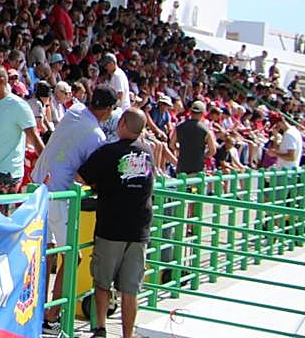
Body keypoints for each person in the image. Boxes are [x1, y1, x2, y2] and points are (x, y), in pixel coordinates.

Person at [31, 87, 115, 330]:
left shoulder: (74, 110)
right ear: (108, 110)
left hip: (38, 185)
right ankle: (51, 316)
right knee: (72, 256)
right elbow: (91, 174)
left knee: (45, 252)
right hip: (59, 194)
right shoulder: (96, 136)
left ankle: (37, 310)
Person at [77, 108, 155, 338]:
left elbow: (82, 177)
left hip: (111, 226)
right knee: (130, 290)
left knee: (102, 283)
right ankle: (126, 335)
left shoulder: (108, 152)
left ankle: (100, 328)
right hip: (139, 228)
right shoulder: (148, 152)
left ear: (121, 123)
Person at [0, 64, 44, 195]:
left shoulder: (19, 105)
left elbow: (34, 138)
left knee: (1, 209)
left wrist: (47, 167)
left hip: (9, 175)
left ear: (1, 80)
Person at [170, 100, 216, 176]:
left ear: (190, 112)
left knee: (182, 183)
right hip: (197, 169)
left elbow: (171, 144)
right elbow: (212, 150)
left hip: (182, 168)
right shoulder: (206, 130)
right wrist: (203, 156)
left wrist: (179, 150)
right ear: (202, 113)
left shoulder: (179, 127)